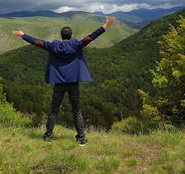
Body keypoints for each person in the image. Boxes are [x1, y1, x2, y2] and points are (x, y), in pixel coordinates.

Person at [12, 16, 115, 146]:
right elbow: (91, 37)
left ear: (61, 36)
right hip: (73, 83)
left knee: (54, 110)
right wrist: (105, 26)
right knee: (76, 110)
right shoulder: (76, 44)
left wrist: (23, 35)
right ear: (71, 35)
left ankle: (48, 136)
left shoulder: (53, 46)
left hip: (59, 83)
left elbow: (37, 42)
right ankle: (81, 138)